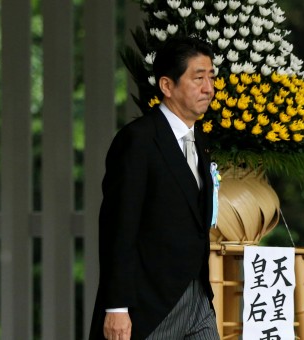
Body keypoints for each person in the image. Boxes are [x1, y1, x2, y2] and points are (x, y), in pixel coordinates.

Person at [89, 36, 220, 340]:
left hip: (198, 297)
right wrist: (116, 307)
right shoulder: (138, 140)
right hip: (149, 306)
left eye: (211, 78)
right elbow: (118, 227)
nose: (209, 88)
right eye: (198, 78)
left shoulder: (200, 143)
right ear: (166, 85)